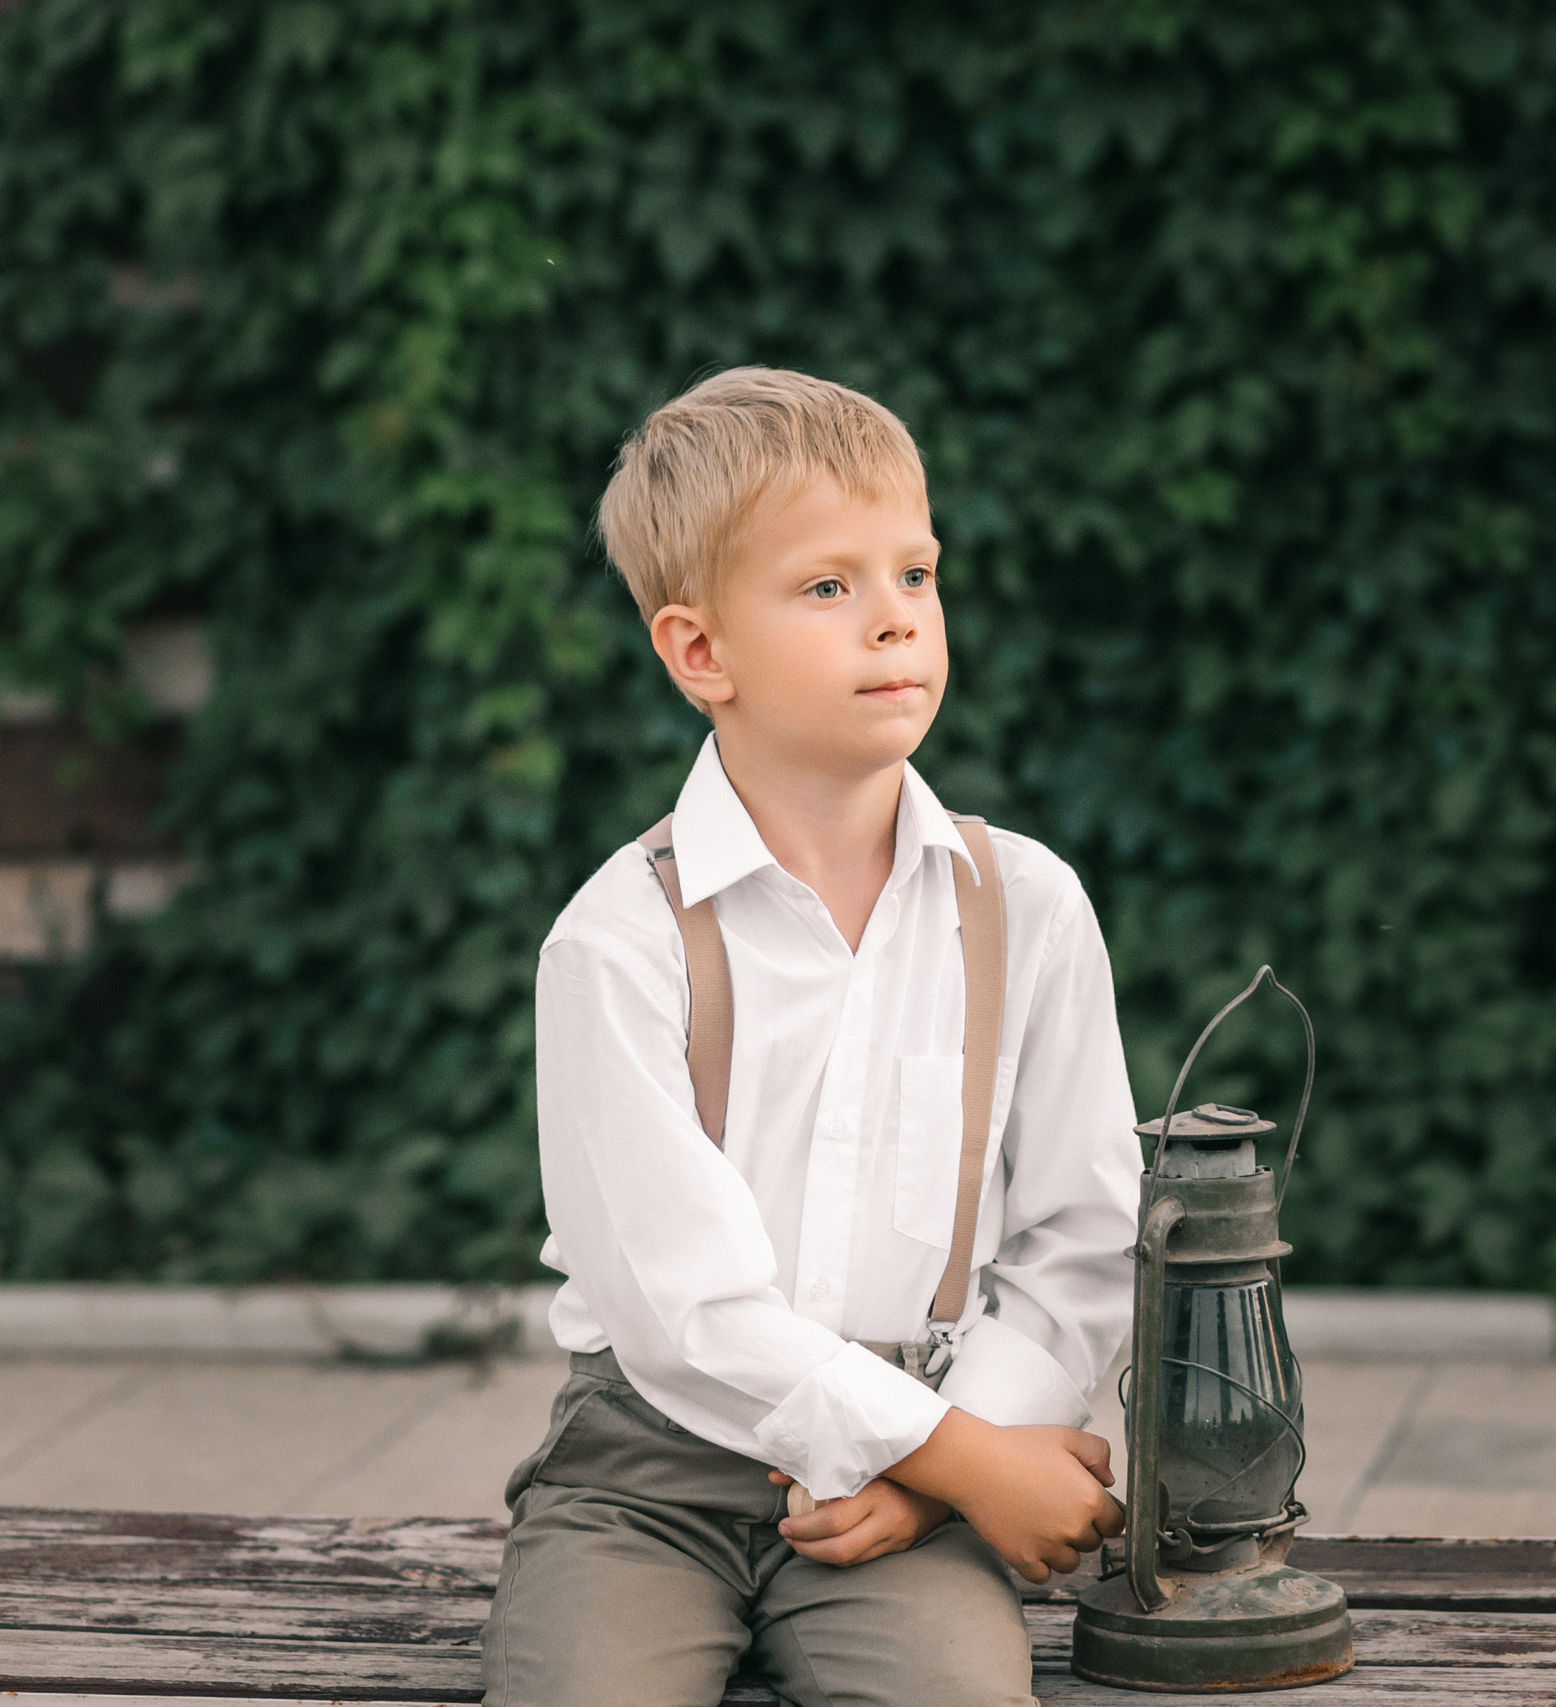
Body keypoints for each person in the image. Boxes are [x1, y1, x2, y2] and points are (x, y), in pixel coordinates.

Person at [480, 367, 1141, 1707]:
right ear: (699, 653)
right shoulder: (621, 940)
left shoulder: (1024, 906)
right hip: (649, 1474)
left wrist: (949, 1468)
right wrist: (956, 1457)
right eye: (829, 589)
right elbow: (685, 1317)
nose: (895, 621)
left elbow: (1081, 1231)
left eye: (915, 573)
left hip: (917, 1475)